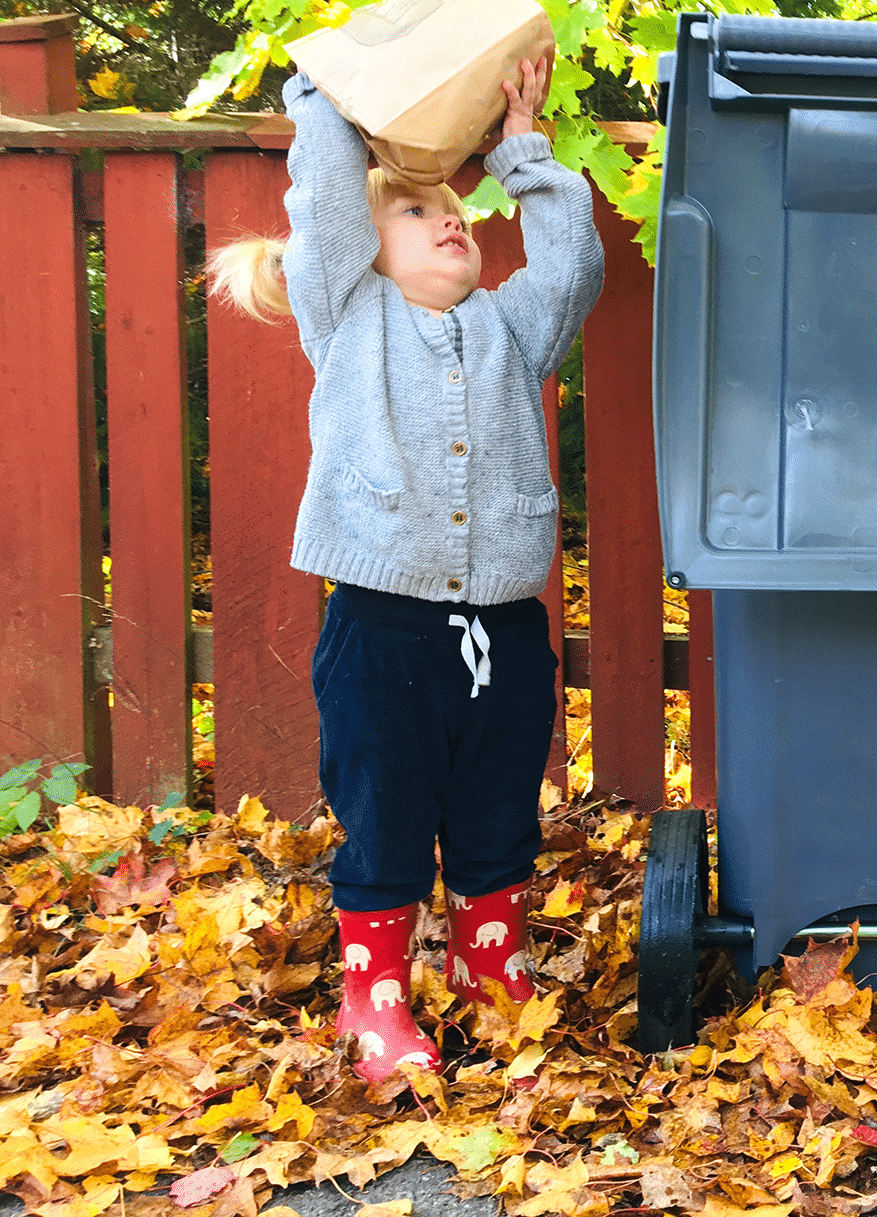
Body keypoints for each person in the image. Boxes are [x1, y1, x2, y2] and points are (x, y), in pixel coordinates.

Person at [208, 56, 603, 1081]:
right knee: (383, 814)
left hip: (504, 638)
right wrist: (334, 95)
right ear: (367, 250)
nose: (451, 221)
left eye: (457, 208)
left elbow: (571, 271)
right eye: (419, 211)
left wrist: (523, 146)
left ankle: (491, 973)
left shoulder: (513, 332)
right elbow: (332, 202)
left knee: (496, 810)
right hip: (383, 635)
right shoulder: (348, 319)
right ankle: (374, 1004)